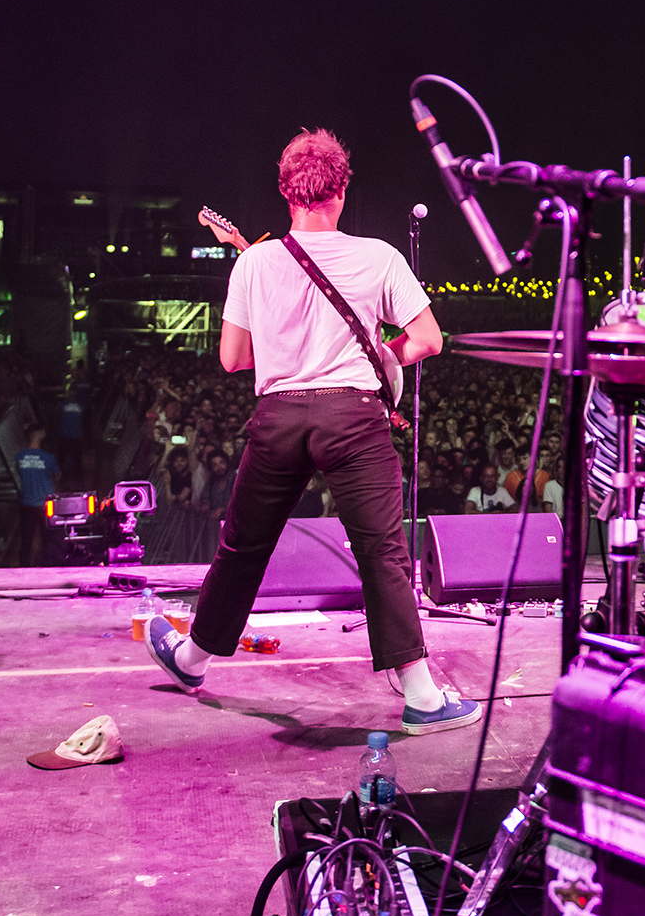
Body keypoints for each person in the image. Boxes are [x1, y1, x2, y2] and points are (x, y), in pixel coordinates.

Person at [145, 129, 479, 735]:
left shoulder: (254, 261)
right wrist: (382, 355)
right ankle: (422, 698)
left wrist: (285, 340)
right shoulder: (379, 256)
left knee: (242, 547)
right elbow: (428, 340)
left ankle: (192, 659)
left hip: (277, 416)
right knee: (382, 553)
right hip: (351, 416)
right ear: (342, 191)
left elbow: (232, 359)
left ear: (285, 192)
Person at [13, 426, 59, 567]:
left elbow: (20, 474)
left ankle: (24, 567)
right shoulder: (49, 458)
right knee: (48, 538)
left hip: (26, 503)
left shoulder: (19, 457)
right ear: (39, 435)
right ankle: (47, 565)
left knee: (26, 539)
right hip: (46, 504)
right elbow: (57, 476)